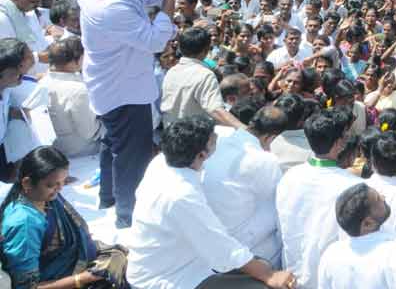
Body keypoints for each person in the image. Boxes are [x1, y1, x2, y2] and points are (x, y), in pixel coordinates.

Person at [126, 116, 296, 289]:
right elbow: (220, 248)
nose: (218, 140)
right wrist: (270, 275)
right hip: (168, 278)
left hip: (179, 261)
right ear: (201, 155)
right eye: (214, 140)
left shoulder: (161, 163)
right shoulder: (180, 195)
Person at [77, 0, 178, 228]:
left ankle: (108, 197)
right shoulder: (106, 5)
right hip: (123, 89)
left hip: (118, 84)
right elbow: (155, 41)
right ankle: (129, 218)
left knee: (114, 144)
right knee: (133, 155)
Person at [0, 146, 127, 289]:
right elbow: (26, 287)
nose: (59, 189)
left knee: (119, 256)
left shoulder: (45, 197)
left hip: (73, 263)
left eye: (63, 182)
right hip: (60, 279)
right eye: (51, 185)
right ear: (27, 183)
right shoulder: (24, 223)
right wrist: (83, 278)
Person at [276, 107, 357, 289]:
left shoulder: (289, 177)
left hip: (291, 275)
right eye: (344, 135)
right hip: (327, 279)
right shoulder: (352, 187)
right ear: (338, 143)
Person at [202, 105, 286, 267]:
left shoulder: (220, 138)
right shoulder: (264, 159)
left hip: (208, 228)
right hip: (236, 241)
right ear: (271, 138)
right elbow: (275, 204)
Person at [161, 26, 243, 128]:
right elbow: (216, 110)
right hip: (192, 136)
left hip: (170, 133)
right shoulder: (205, 75)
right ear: (206, 49)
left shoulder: (171, 71)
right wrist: (245, 130)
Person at [36, 37, 98, 157]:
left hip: (56, 150)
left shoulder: (42, 82)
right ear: (75, 61)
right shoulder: (77, 90)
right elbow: (89, 132)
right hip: (83, 150)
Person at [0, 0, 49, 75]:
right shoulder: (2, 19)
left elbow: (37, 40)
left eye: (40, 2)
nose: (38, 6)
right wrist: (38, 57)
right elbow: (6, 56)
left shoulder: (27, 11)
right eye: (34, 2)